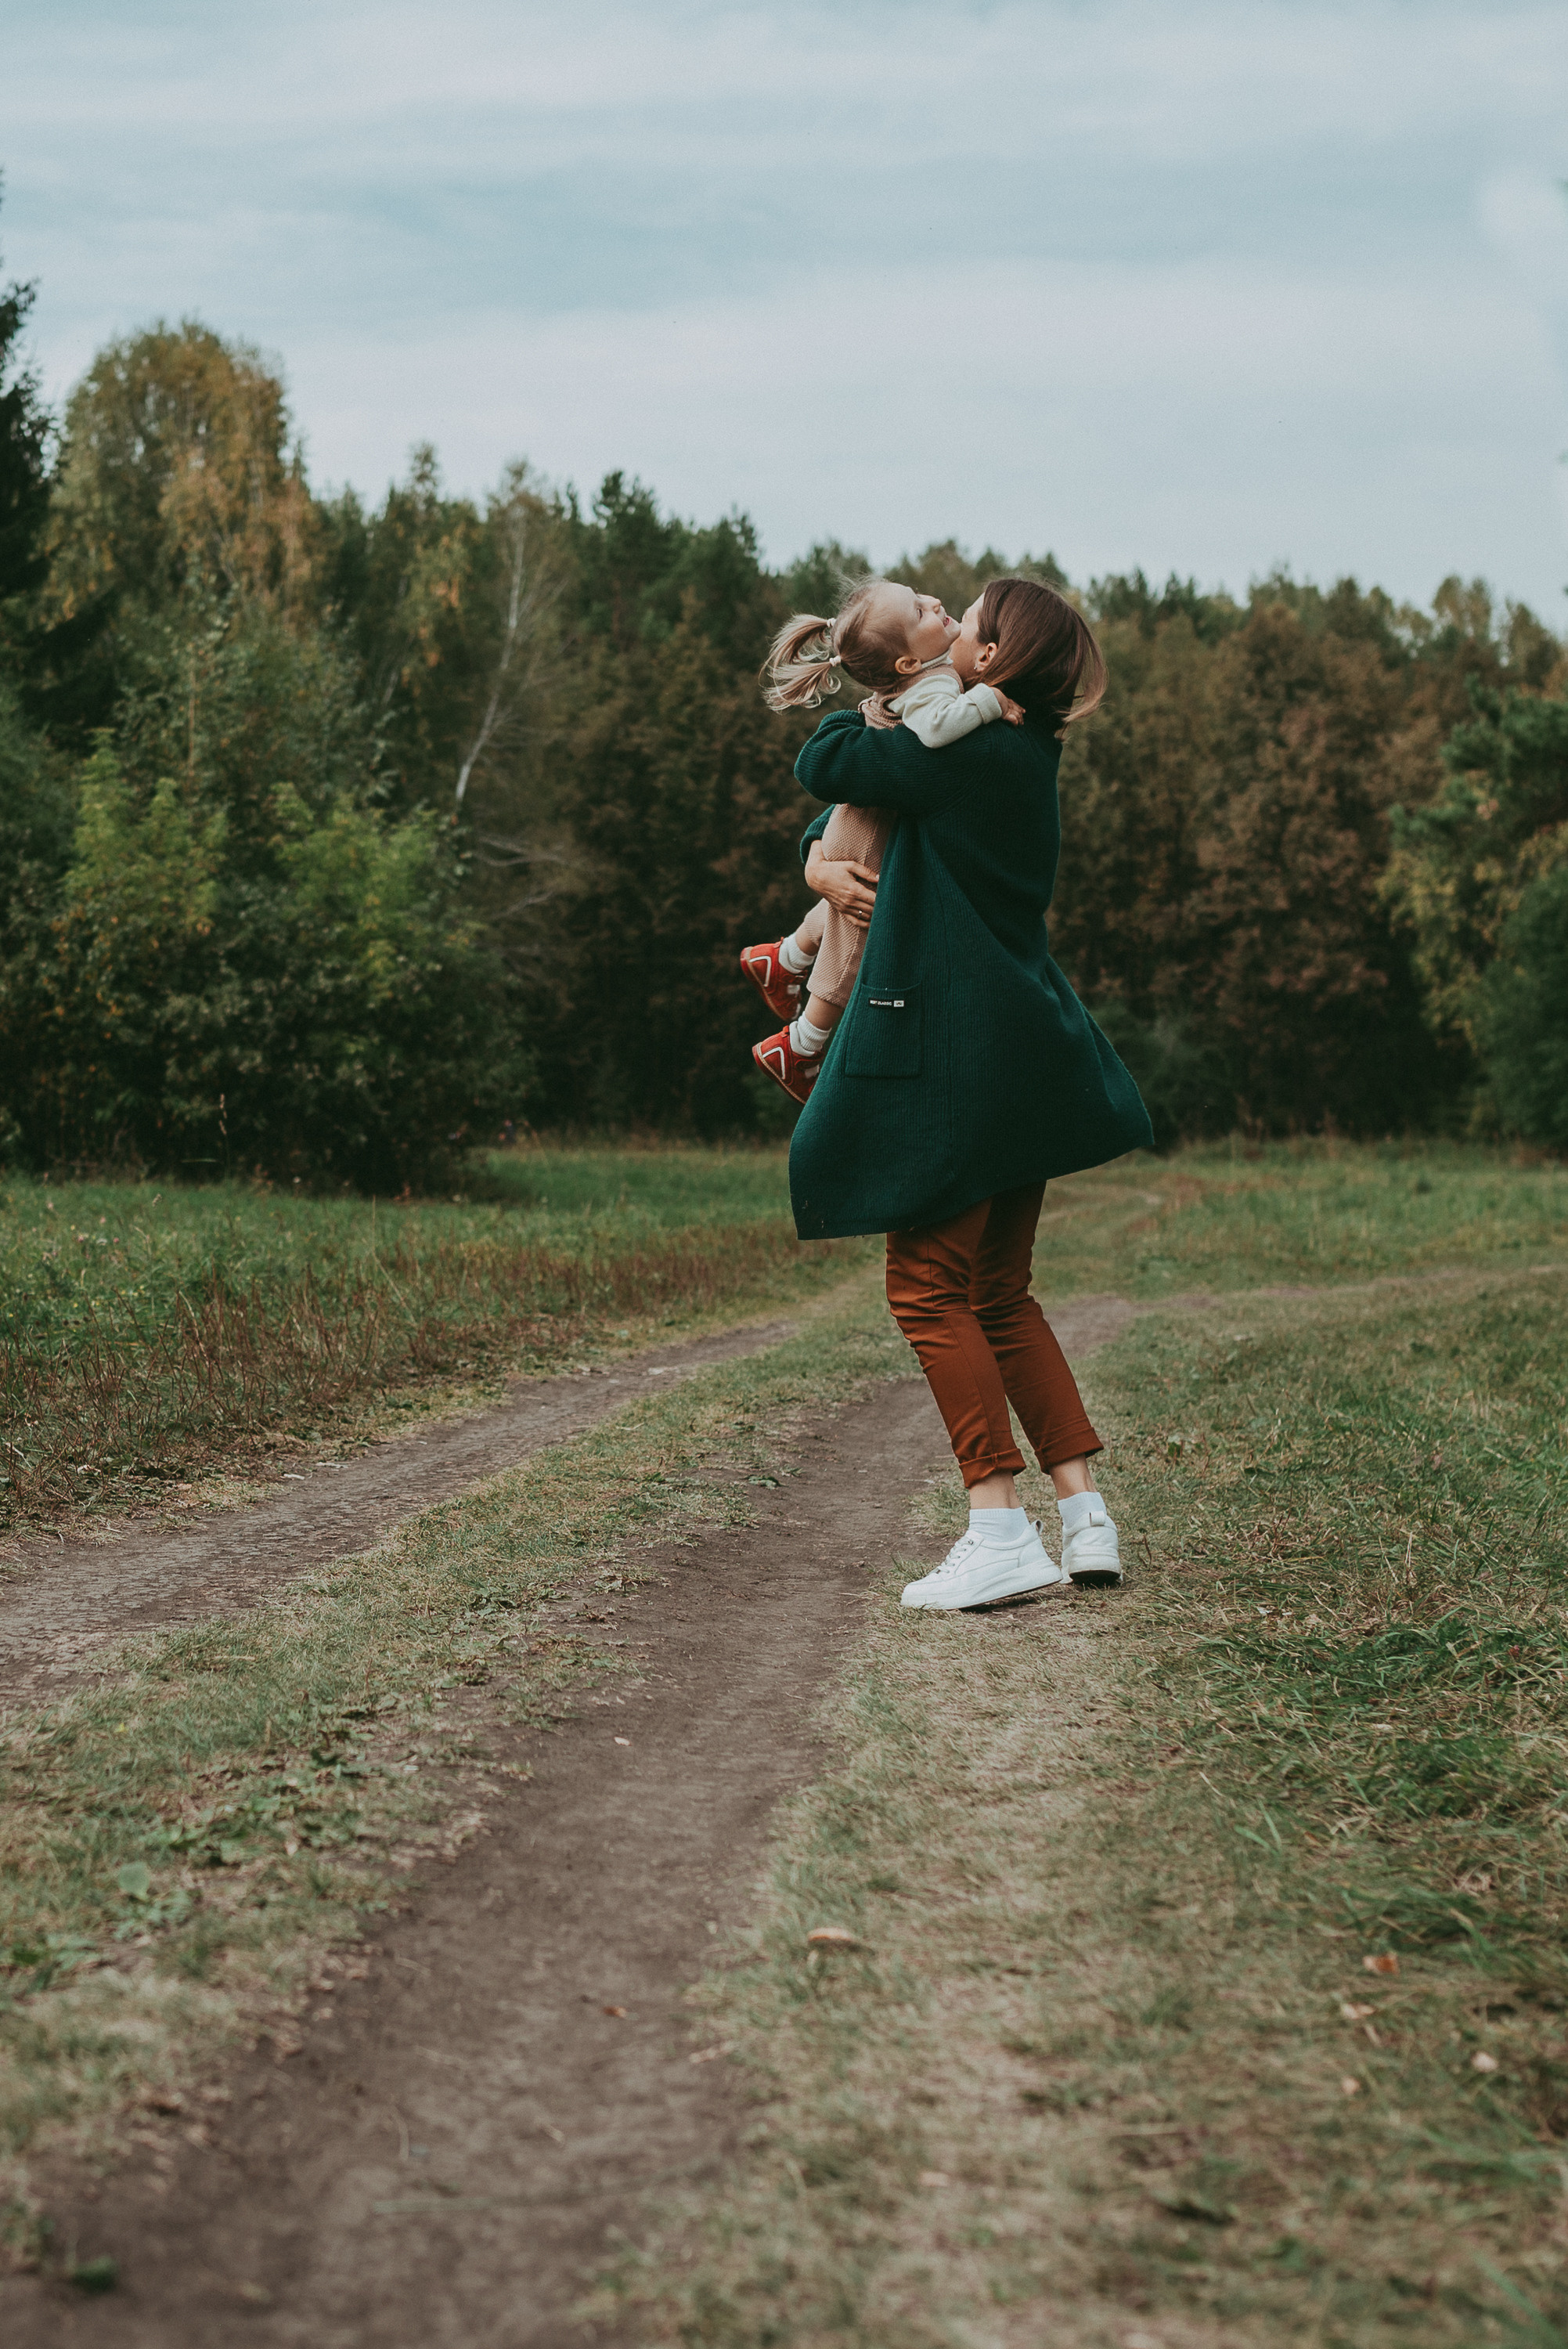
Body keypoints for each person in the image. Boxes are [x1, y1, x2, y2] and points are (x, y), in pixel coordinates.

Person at [788, 577, 1154, 1611]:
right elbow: (879, 831)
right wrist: (822, 872)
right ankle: (1083, 1518)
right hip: (1028, 1058)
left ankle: (995, 1527)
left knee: (923, 1288)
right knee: (998, 1293)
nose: (952, 615)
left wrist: (868, 714)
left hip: (962, 1057)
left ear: (986, 663)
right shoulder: (1016, 752)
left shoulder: (956, 752)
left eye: (969, 621)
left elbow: (828, 760)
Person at [741, 577, 1022, 1104]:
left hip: (856, 819)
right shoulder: (938, 686)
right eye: (919, 610)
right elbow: (934, 731)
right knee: (858, 930)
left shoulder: (924, 676)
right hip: (867, 828)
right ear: (907, 663)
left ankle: (786, 957)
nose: (936, 603)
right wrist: (988, 701)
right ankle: (800, 1045)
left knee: (847, 904)